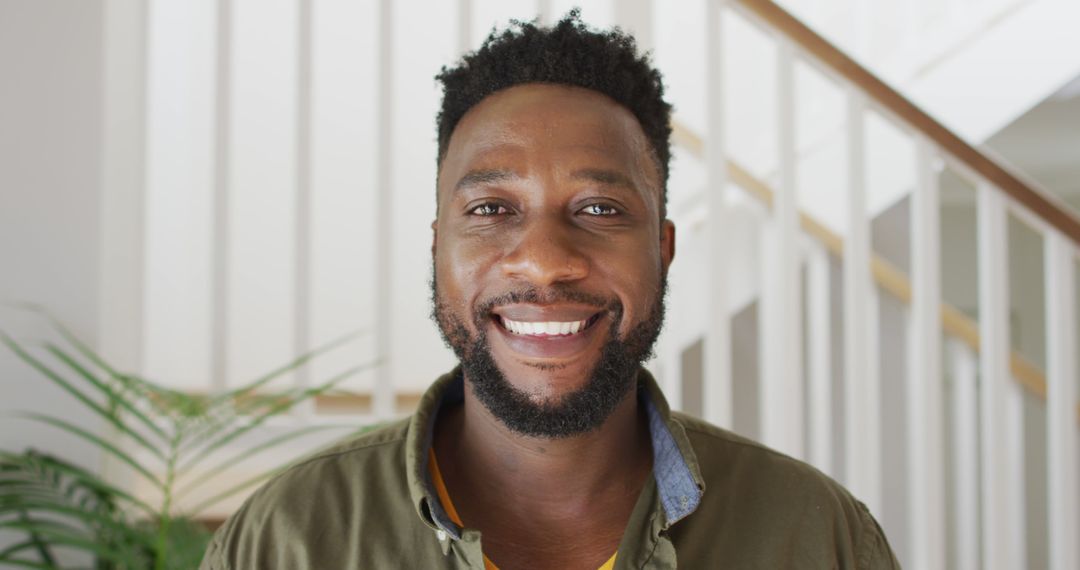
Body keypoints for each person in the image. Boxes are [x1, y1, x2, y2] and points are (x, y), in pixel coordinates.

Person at [200, 12, 898, 569]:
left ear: (662, 249)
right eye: (491, 209)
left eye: (599, 208)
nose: (543, 263)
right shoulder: (285, 542)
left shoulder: (816, 538)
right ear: (438, 245)